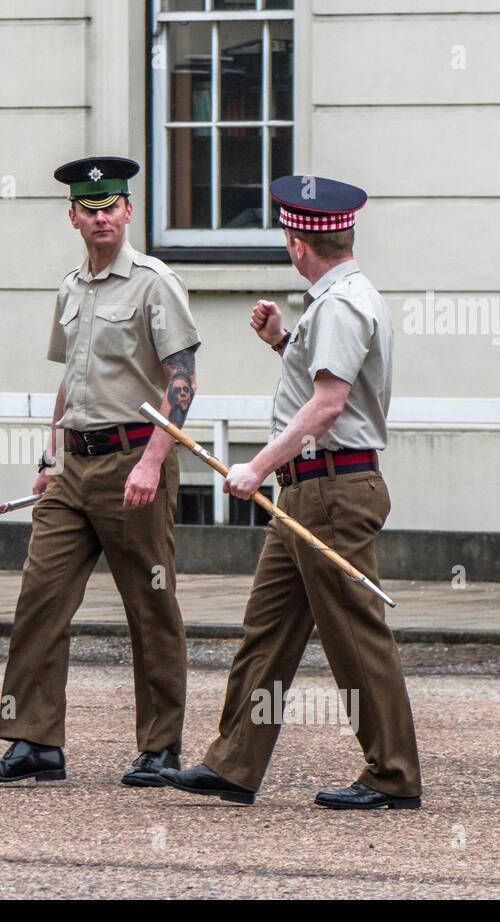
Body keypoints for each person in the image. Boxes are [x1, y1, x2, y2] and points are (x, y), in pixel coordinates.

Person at [159, 175, 423, 809]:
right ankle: (232, 763)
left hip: (330, 489)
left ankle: (392, 775)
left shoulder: (339, 305)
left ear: (298, 243)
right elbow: (331, 387)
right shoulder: (341, 298)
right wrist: (283, 342)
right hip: (312, 490)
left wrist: (255, 466)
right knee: (268, 631)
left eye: (285, 234)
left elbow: (329, 407)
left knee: (356, 635)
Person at [0, 156, 201, 787]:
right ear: (73, 216)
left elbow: (183, 380)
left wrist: (153, 460)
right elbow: (69, 379)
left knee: (150, 606)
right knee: (39, 599)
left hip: (134, 462)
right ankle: (34, 741)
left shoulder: (155, 283)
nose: (101, 217)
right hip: (74, 466)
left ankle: (161, 747)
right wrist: (50, 457)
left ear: (127, 211)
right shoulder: (70, 288)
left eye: (112, 206)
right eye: (89, 208)